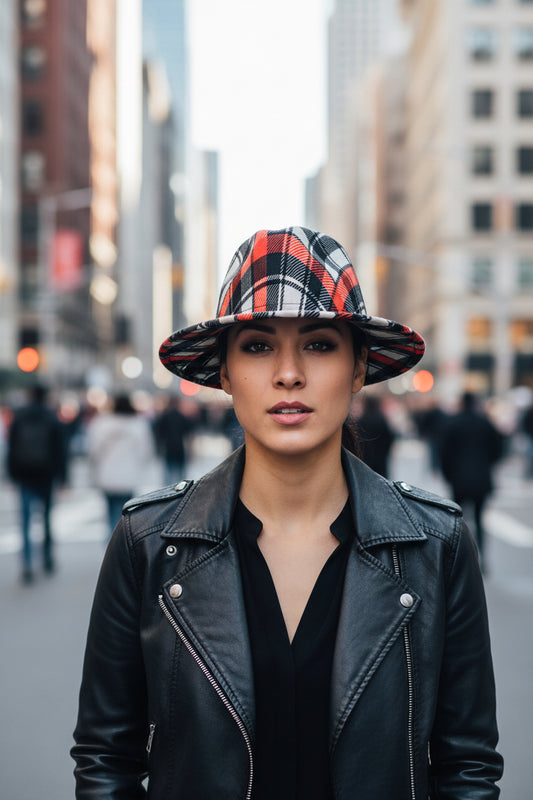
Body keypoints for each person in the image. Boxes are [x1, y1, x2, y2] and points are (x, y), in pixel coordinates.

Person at [72, 227, 502, 798]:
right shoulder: (148, 542)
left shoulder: (436, 543)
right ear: (224, 372)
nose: (289, 372)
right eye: (257, 345)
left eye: (320, 344)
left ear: (357, 369)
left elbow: (467, 765)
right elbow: (107, 758)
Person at [7, 384, 67, 583]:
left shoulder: (20, 416)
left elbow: (12, 446)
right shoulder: (51, 417)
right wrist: (63, 476)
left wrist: (12, 473)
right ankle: (47, 558)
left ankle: (26, 563)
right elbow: (61, 449)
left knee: (25, 520)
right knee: (47, 518)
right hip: (46, 474)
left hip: (24, 474)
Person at [440, 391, 504, 572]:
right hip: (481, 478)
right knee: (479, 519)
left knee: (456, 523)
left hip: (459, 479)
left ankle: (458, 563)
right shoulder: (485, 422)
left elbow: (444, 452)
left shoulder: (453, 423)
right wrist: (488, 464)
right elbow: (499, 448)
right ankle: (482, 558)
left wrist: (448, 474)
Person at [86, 393, 155, 537]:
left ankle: (111, 546)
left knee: (110, 514)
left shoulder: (102, 424)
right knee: (126, 516)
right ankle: (121, 547)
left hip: (107, 476)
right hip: (128, 477)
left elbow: (93, 451)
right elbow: (146, 452)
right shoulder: (139, 425)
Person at [152, 395, 194, 484]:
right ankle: (181, 488)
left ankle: (168, 489)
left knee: (168, 471)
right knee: (181, 472)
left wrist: (158, 447)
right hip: (179, 446)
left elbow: (158, 432)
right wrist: (191, 450)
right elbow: (189, 433)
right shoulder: (181, 416)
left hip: (168, 446)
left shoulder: (165, 416)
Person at [357, 394, 395, 477]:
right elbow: (389, 438)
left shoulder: (362, 421)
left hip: (365, 457)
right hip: (381, 457)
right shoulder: (381, 420)